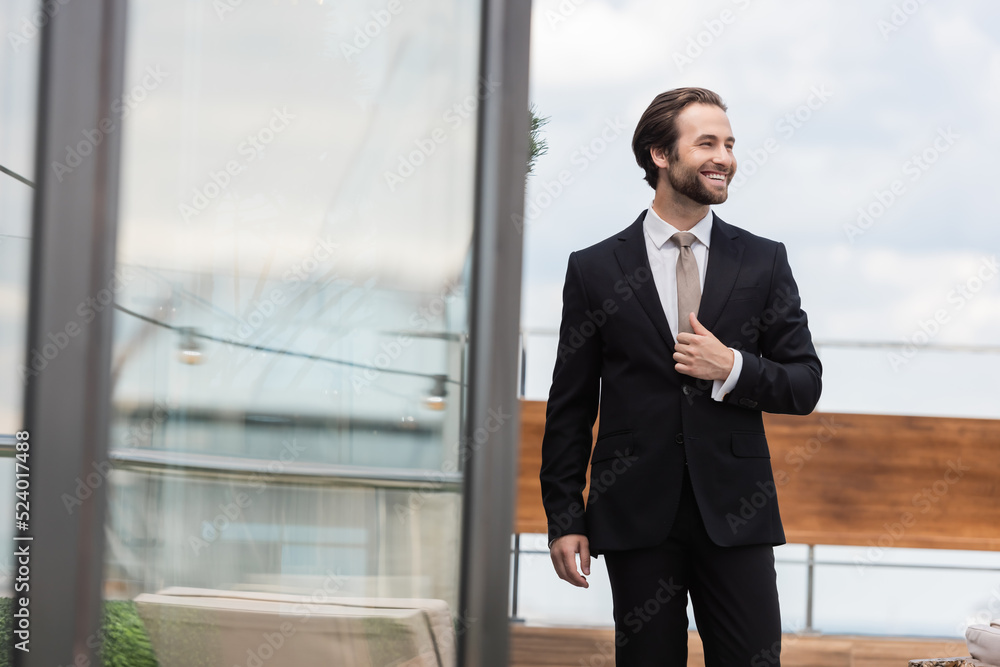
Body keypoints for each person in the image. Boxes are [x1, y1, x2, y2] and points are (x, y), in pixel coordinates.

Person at [539, 87, 822, 666]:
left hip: (737, 513)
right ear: (659, 155)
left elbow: (804, 383)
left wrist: (734, 368)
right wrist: (564, 518)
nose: (725, 157)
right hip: (635, 514)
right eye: (708, 143)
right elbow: (569, 405)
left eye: (730, 144)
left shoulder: (763, 261)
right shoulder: (593, 269)